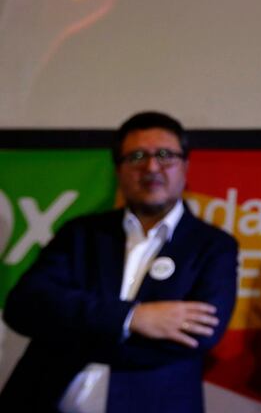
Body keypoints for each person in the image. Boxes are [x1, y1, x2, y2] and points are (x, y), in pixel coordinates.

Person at [0, 111, 238, 412]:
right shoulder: (80, 233)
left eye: (165, 155)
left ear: (185, 165)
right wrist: (131, 318)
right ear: (118, 169)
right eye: (137, 156)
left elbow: (198, 335)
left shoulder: (214, 246)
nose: (151, 166)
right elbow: (25, 306)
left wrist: (71, 328)